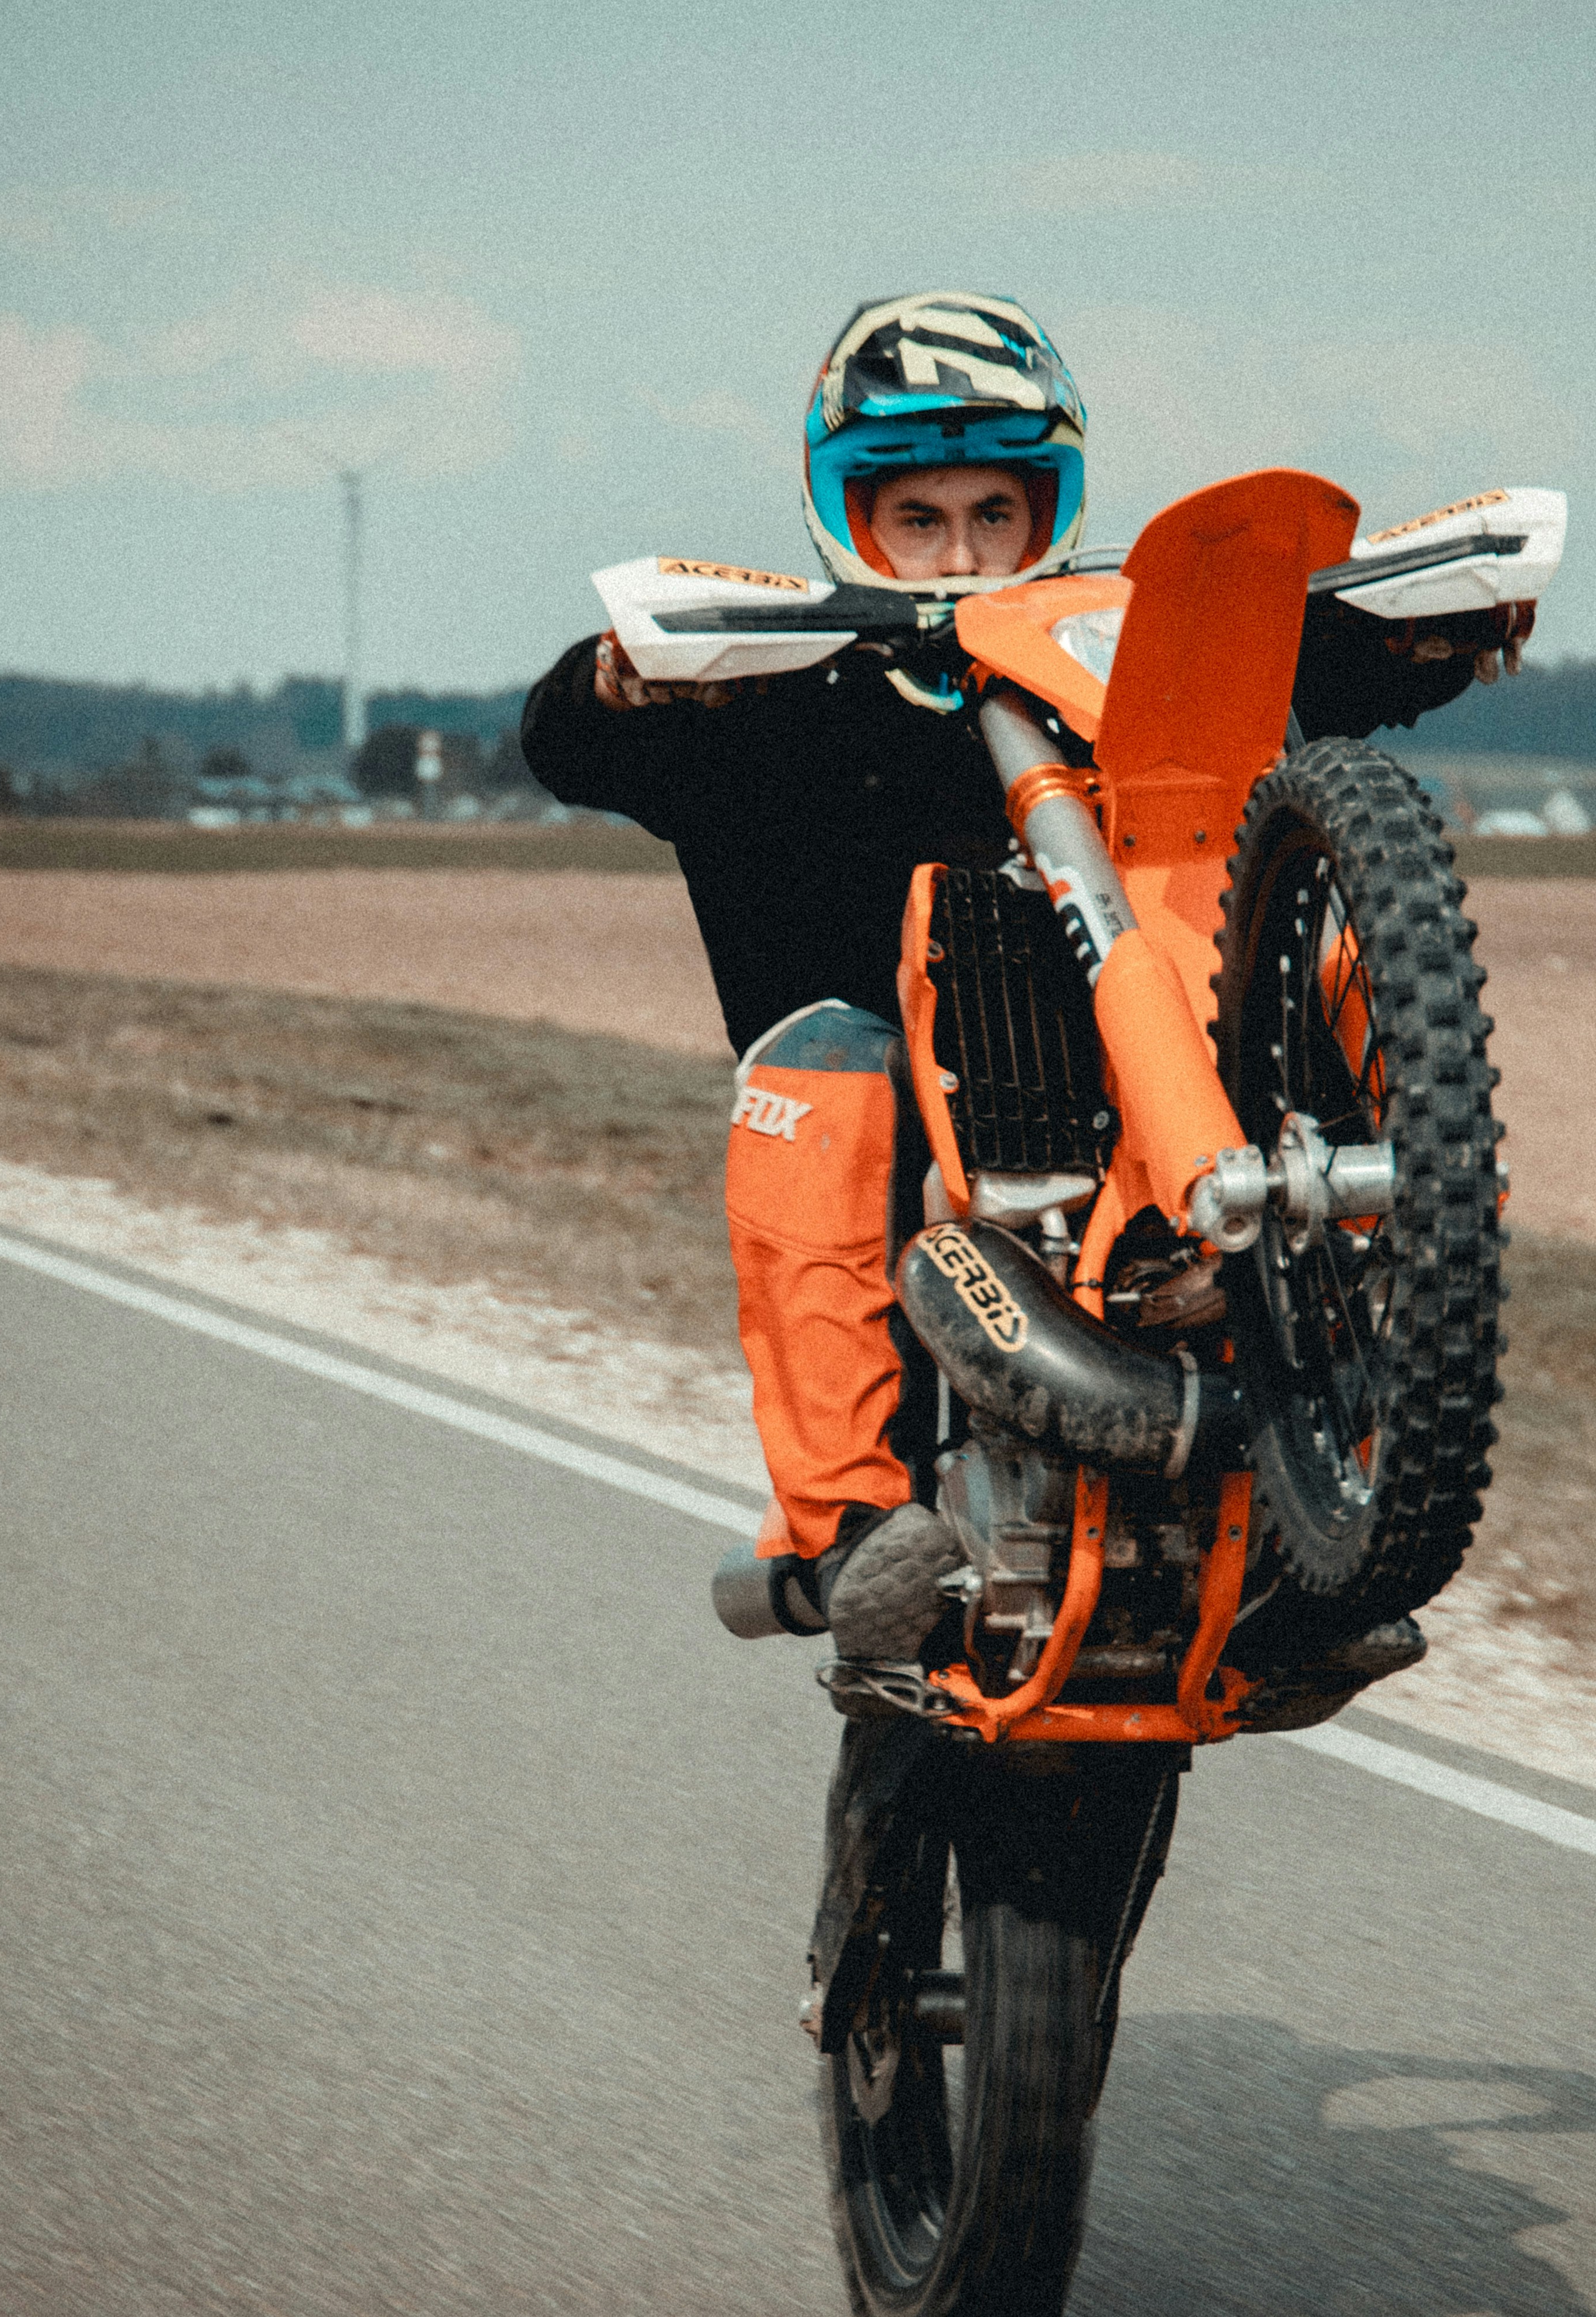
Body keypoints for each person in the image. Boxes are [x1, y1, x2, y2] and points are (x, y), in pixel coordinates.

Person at [518, 290, 1524, 1677]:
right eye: (919, 519)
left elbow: (1311, 653)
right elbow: (571, 740)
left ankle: (1346, 1474)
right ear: (848, 517)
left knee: (1335, 967)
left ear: (1051, 505)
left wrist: (1443, 628)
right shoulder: (786, 691)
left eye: (999, 511)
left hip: (1130, 1112)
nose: (966, 549)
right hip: (894, 1133)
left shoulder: (1120, 666)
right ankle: (850, 1527)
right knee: (823, 1060)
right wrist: (627, 679)